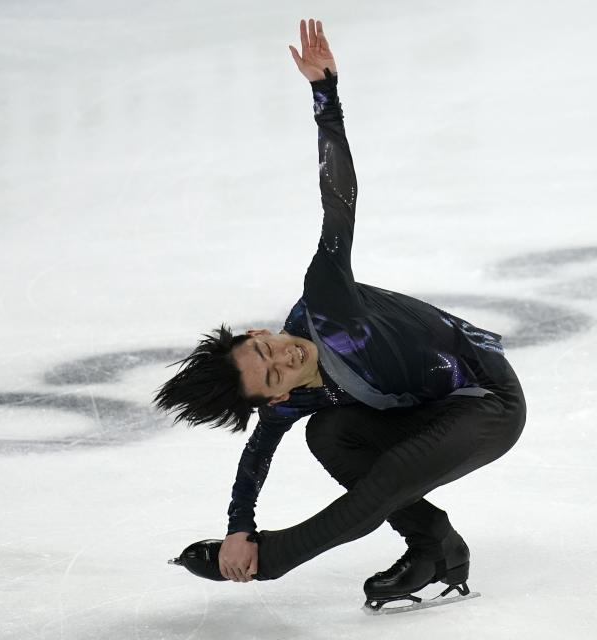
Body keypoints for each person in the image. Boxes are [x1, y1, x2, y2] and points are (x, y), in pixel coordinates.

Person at [156, 18, 527, 608]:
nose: (283, 356)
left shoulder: (326, 307)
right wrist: (237, 526)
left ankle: (276, 561)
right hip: (429, 413)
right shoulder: (294, 404)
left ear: (257, 332)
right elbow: (256, 455)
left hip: (488, 401)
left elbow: (339, 203)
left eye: (264, 348)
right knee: (330, 434)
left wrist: (325, 96)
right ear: (275, 398)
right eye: (274, 375)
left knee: (385, 475)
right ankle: (434, 545)